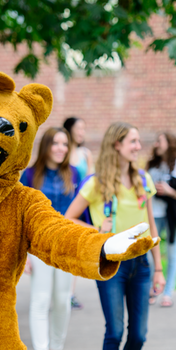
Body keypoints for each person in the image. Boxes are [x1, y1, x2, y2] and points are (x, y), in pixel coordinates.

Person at [65, 122, 165, 350]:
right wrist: (97, 229)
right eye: (133, 141)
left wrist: (158, 268)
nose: (138, 146)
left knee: (139, 335)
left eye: (137, 141)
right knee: (116, 330)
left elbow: (152, 225)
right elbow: (68, 218)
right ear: (117, 145)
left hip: (141, 265)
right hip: (112, 265)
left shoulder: (143, 180)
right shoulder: (96, 184)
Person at [21, 128, 81, 350]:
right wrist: (23, 253)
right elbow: (21, 216)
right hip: (39, 246)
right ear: (45, 146)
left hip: (66, 246)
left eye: (65, 144)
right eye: (55, 143)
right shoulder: (30, 175)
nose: (60, 148)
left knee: (62, 301)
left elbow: (80, 211)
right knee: (41, 300)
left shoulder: (74, 173)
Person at [147, 133, 176, 307]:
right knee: (150, 252)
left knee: (173, 252)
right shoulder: (153, 163)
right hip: (154, 212)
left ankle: (168, 293)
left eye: (159, 141)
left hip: (173, 213)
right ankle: (153, 289)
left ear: (170, 143)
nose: (156, 144)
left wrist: (169, 191)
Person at [62, 117, 95, 310]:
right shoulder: (63, 150)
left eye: (84, 128)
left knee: (74, 248)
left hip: (80, 205)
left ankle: (70, 292)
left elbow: (90, 179)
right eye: (79, 128)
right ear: (70, 129)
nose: (82, 132)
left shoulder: (85, 153)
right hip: (64, 203)